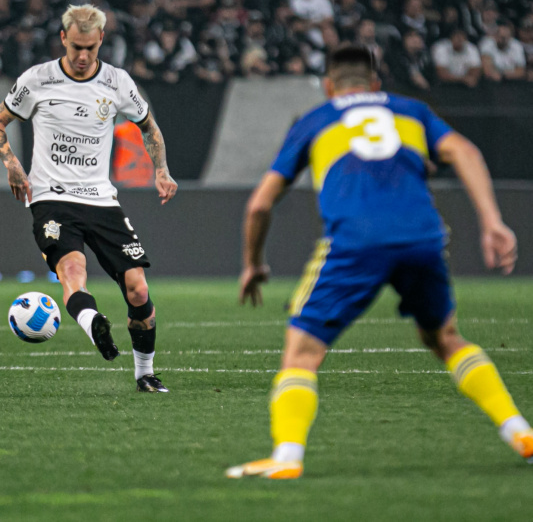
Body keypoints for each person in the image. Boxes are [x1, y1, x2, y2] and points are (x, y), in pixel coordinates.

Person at [226, 44, 530, 479]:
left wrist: (253, 262)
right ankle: (519, 431)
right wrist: (493, 222)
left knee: (302, 354)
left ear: (329, 87)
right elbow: (467, 153)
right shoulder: (412, 110)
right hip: (422, 235)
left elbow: (259, 205)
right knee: (446, 337)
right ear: (374, 84)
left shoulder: (317, 119)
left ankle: (286, 458)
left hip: (355, 240)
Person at [0, 4, 178, 393]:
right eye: (76, 47)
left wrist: (161, 169)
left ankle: (145, 374)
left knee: (138, 288)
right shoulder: (37, 79)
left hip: (102, 200)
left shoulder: (117, 82)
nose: (83, 56)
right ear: (63, 38)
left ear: (101, 40)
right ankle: (95, 328)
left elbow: (148, 127)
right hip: (51, 199)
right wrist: (11, 163)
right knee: (73, 272)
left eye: (90, 47)